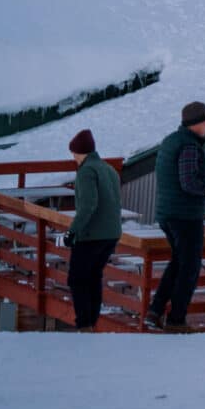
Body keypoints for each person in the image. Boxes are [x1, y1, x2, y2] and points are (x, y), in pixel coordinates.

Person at [146, 101, 205, 332]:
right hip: (185, 217)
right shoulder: (190, 146)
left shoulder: (171, 140)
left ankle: (155, 310)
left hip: (168, 213)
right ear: (196, 123)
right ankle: (176, 320)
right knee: (189, 268)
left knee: (178, 263)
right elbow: (189, 182)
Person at [64, 129, 121, 331]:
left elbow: (88, 205)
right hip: (111, 234)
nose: (73, 158)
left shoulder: (87, 171)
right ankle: (91, 322)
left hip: (91, 235)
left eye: (74, 153)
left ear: (80, 152)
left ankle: (84, 323)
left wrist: (72, 231)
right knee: (93, 276)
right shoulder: (109, 169)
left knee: (77, 278)